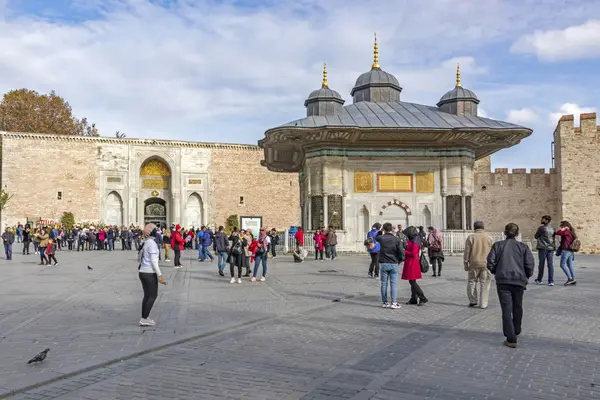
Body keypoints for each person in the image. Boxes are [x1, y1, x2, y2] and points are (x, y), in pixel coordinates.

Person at [487, 223, 534, 348]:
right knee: (518, 306)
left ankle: (511, 337)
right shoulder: (523, 247)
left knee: (506, 309)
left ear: (505, 233)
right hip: (519, 281)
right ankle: (516, 329)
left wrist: (497, 271)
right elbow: (530, 264)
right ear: (517, 234)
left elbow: (490, 262)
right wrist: (526, 276)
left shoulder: (498, 246)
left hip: (503, 281)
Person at [138, 223, 166, 326]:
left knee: (147, 295)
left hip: (142, 272)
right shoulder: (153, 244)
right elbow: (154, 261)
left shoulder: (146, 242)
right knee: (153, 295)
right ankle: (144, 318)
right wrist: (160, 275)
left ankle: (144, 317)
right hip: (150, 272)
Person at [463, 221, 493, 308]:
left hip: (473, 263)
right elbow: (492, 252)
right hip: (486, 264)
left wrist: (465, 263)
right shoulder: (489, 237)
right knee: (485, 283)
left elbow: (467, 252)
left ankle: (473, 300)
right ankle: (483, 303)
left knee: (472, 281)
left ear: (474, 228)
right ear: (483, 227)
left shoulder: (471, 237)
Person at [376, 222, 404, 309]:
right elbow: (401, 252)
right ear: (392, 229)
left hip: (384, 263)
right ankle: (394, 302)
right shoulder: (396, 239)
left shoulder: (381, 238)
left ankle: (385, 302)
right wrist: (399, 260)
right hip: (393, 263)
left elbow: (376, 237)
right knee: (393, 284)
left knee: (384, 284)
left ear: (384, 229)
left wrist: (381, 231)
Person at [402, 226, 428, 306]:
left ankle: (422, 297)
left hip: (412, 263)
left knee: (412, 281)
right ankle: (413, 299)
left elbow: (413, 253)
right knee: (412, 281)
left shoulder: (415, 241)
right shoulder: (414, 240)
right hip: (411, 262)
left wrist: (404, 251)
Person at [534, 215, 555, 286]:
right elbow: (553, 238)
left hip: (543, 248)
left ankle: (539, 279)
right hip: (551, 248)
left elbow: (536, 236)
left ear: (546, 220)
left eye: (543, 219)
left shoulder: (541, 228)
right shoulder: (553, 228)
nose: (541, 220)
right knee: (550, 265)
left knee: (541, 264)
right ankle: (551, 281)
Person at [555, 220, 577, 286]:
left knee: (562, 265)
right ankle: (573, 279)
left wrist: (563, 229)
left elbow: (558, 233)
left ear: (566, 226)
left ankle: (570, 279)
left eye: (562, 226)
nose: (560, 227)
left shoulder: (566, 231)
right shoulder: (571, 231)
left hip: (566, 250)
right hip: (570, 251)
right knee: (570, 266)